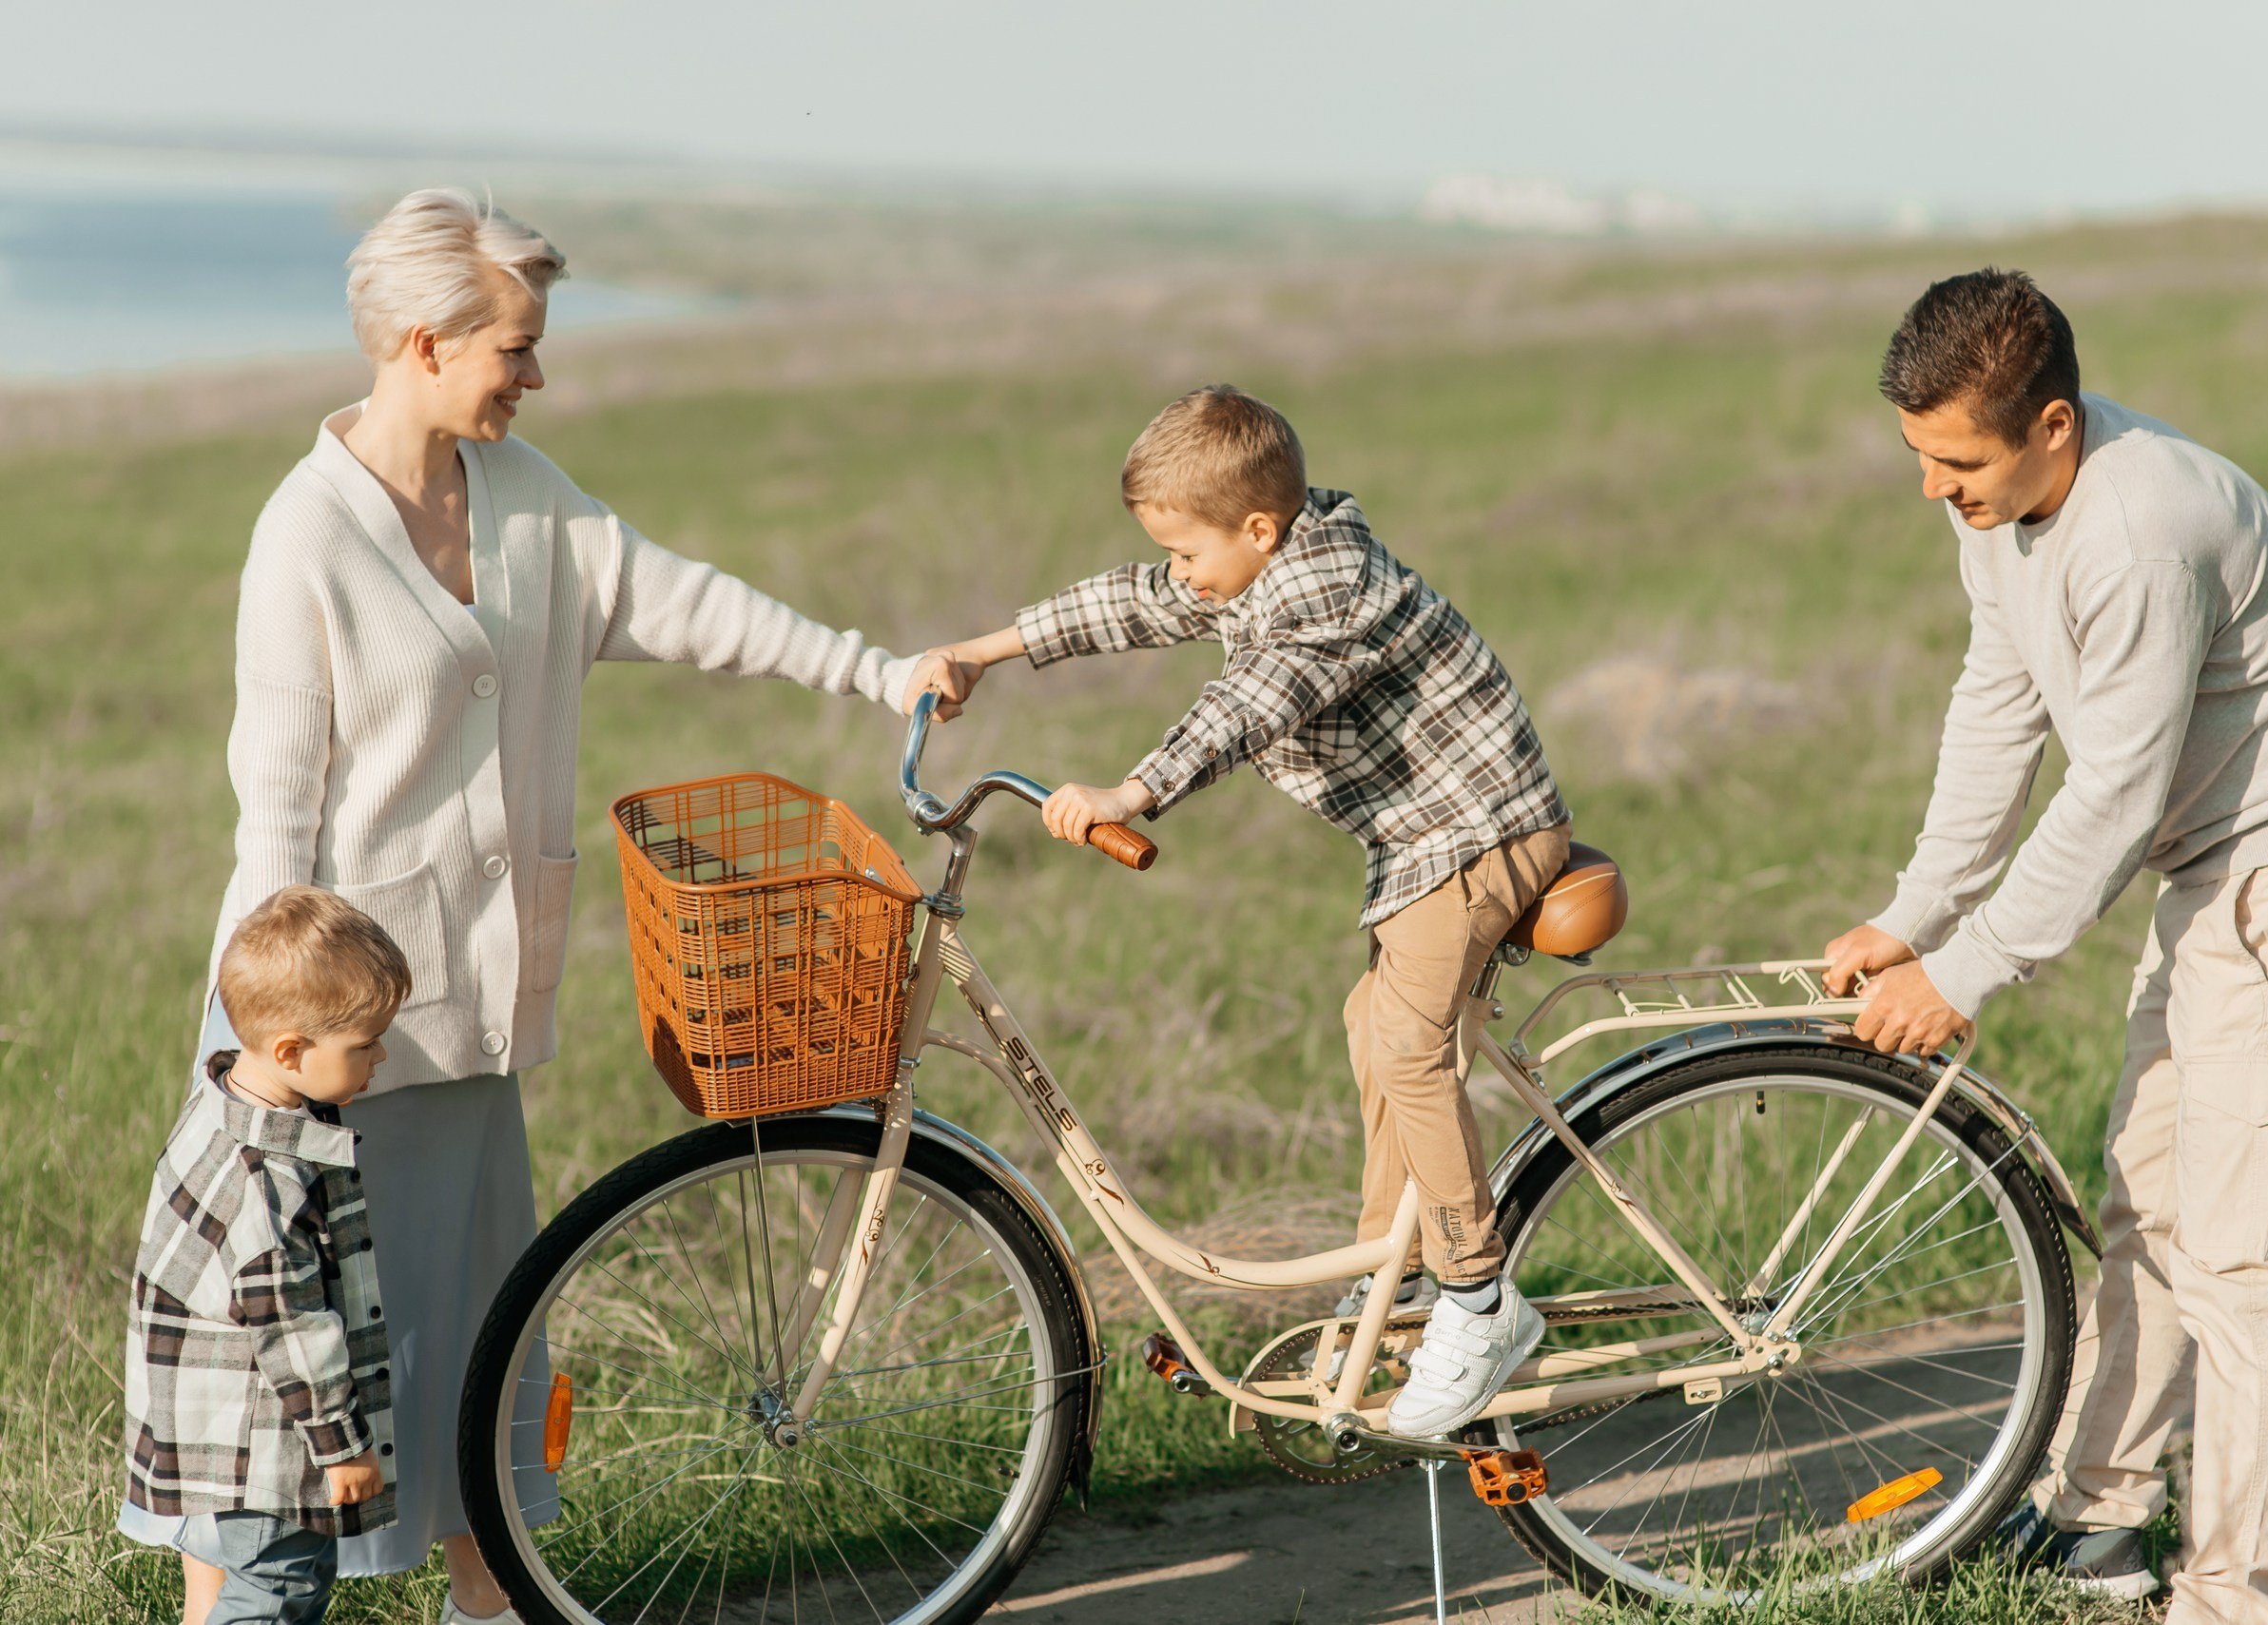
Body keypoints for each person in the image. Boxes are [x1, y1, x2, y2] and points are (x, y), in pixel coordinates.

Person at [119, 187, 968, 1625]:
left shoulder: (524, 497)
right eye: (516, 347)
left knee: (475, 1331)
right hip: (317, 1027)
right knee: (276, 1338)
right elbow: (274, 812)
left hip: (464, 1012)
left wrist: (877, 671)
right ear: (424, 341)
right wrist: (264, 1052)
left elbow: (691, 603)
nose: (536, 373)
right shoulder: (306, 533)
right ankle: (227, 1607)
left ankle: (489, 1599)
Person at [1822, 268, 2268, 1624]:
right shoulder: (2000, 508)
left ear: (2054, 425)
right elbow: (1998, 704)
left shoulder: (2144, 530)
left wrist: (1965, 971)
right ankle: (2100, 1526)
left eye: (1959, 461)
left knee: (2240, 1260)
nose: (1934, 489)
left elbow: (2115, 794)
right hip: (2210, 875)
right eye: (1918, 457)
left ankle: (2238, 1596)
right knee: (2146, 1207)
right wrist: (1916, 912)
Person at [935, 384, 1571, 1439]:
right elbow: (1129, 603)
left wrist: (1132, 791)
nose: (1179, 573)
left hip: (1480, 835)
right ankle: (1401, 1272)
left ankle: (1478, 1296)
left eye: (1188, 552)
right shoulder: (1259, 560)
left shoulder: (1326, 593)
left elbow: (1250, 703)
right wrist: (980, 652)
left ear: (1259, 529)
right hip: (1424, 847)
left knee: (1408, 1043)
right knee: (1373, 1028)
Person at [125, 888, 412, 1625]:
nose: (380, 1055)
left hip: (227, 1425)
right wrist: (343, 1446)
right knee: (277, 1590)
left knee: (277, 1580)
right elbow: (292, 1328)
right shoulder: (266, 1181)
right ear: (290, 1051)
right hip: (266, 1442)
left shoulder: (222, 1103)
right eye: (365, 1043)